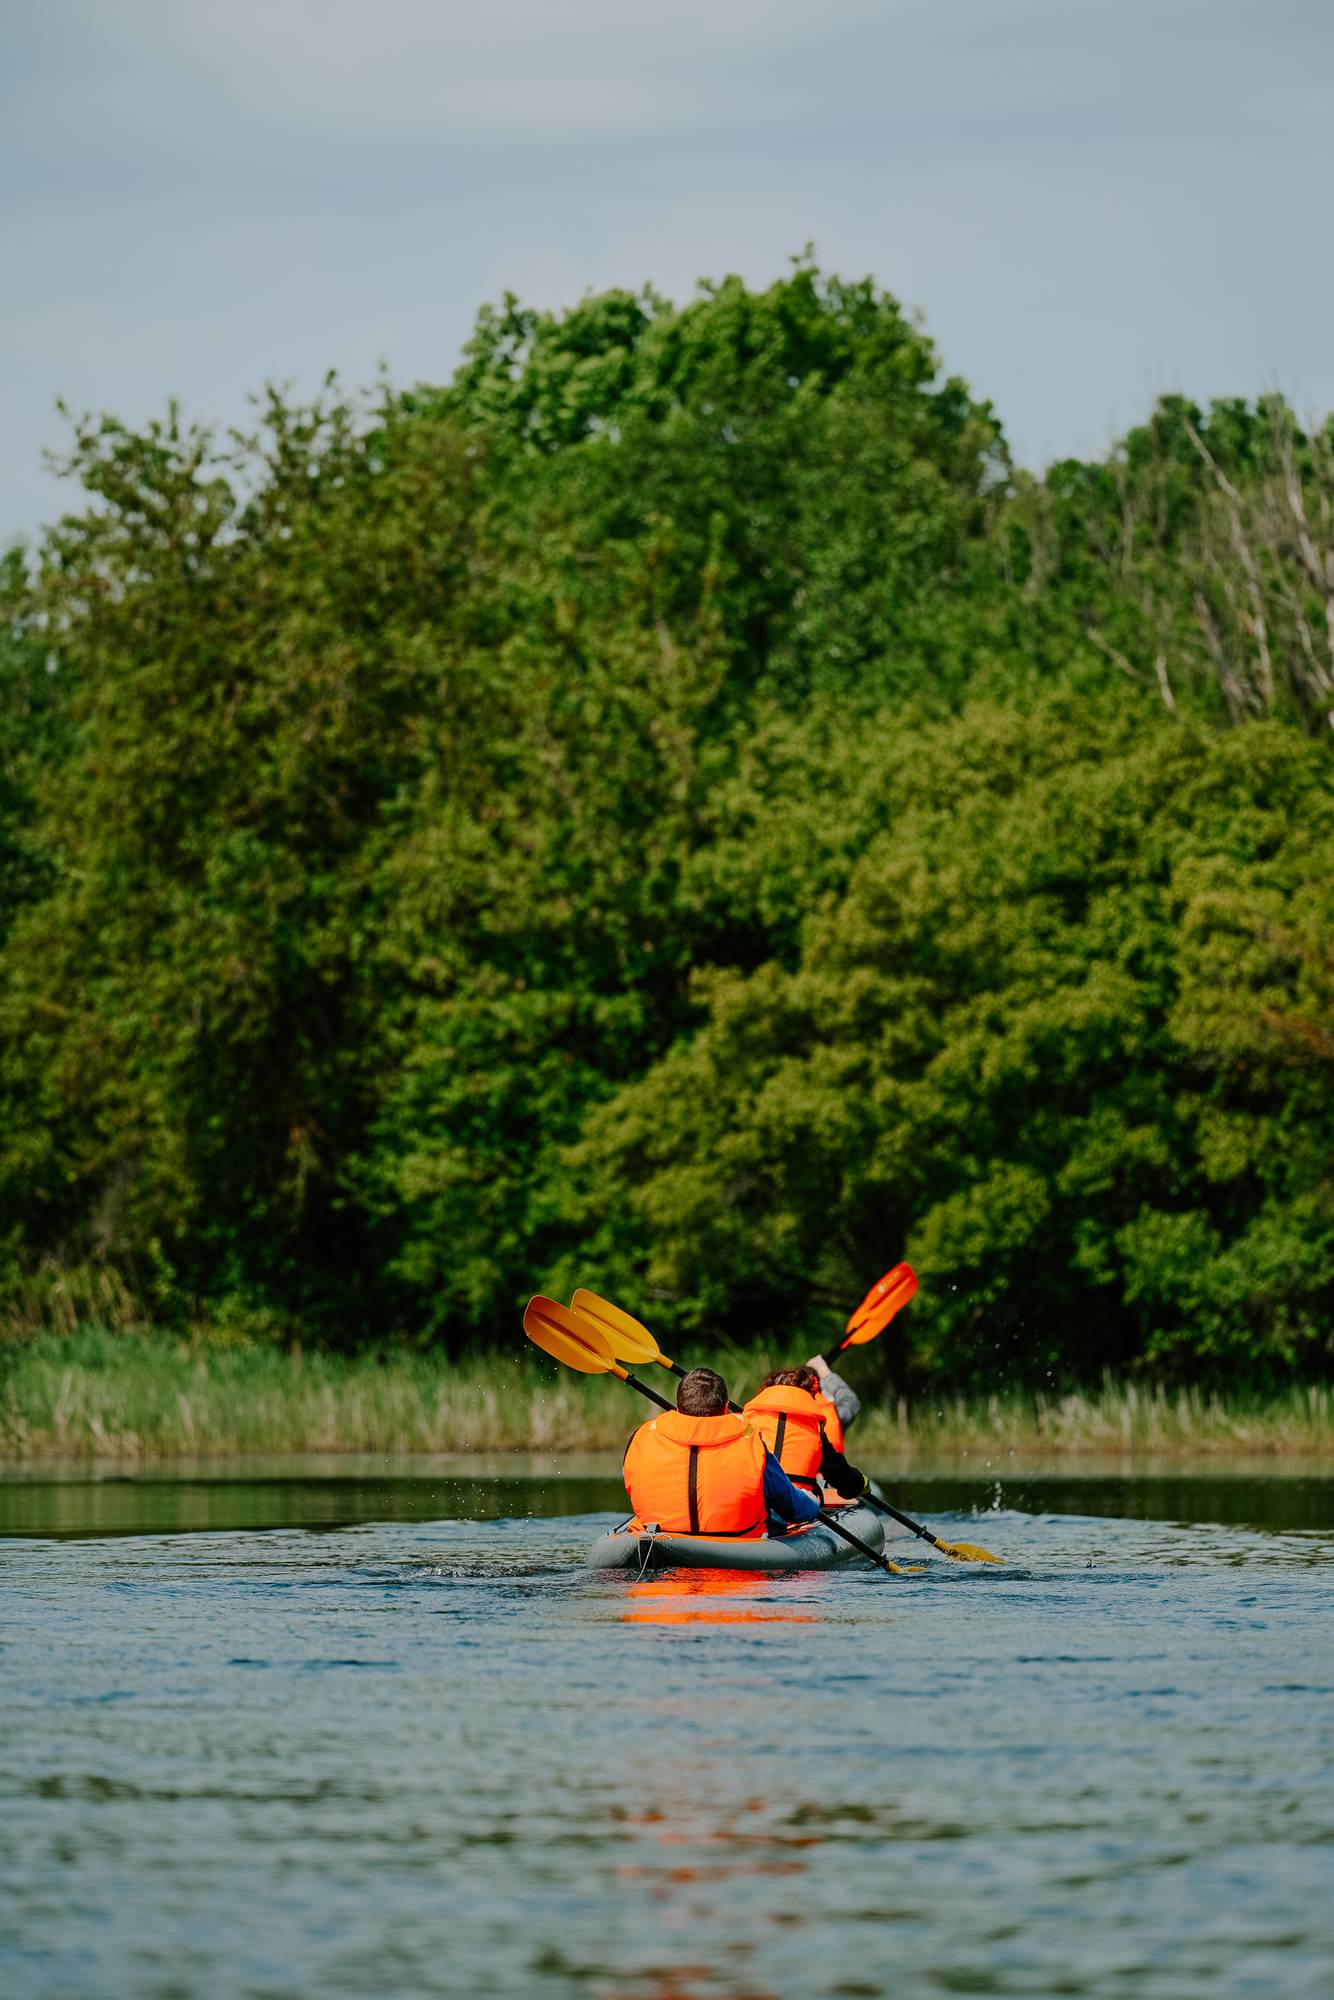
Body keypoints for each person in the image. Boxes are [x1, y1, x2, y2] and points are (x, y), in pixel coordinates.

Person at [623, 1367, 823, 1539]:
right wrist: (813, 1503)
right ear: (726, 1407)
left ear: (678, 1408)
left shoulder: (641, 1438)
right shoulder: (753, 1445)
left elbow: (631, 1484)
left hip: (659, 1539)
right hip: (734, 1549)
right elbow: (790, 1506)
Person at [742, 1366, 869, 1505]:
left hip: (751, 1509)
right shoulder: (813, 1430)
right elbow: (846, 1482)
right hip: (793, 1512)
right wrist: (861, 1483)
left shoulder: (746, 1422)